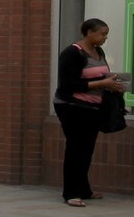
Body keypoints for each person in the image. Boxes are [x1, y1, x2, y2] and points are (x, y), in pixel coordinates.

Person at [53, 17, 124, 207]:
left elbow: (100, 75)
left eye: (106, 34)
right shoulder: (72, 53)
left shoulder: (98, 51)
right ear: (89, 32)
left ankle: (84, 189)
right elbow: (69, 85)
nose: (105, 38)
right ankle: (70, 193)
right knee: (76, 147)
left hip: (94, 106)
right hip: (72, 106)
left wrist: (113, 83)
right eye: (102, 34)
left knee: (87, 148)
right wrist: (103, 83)